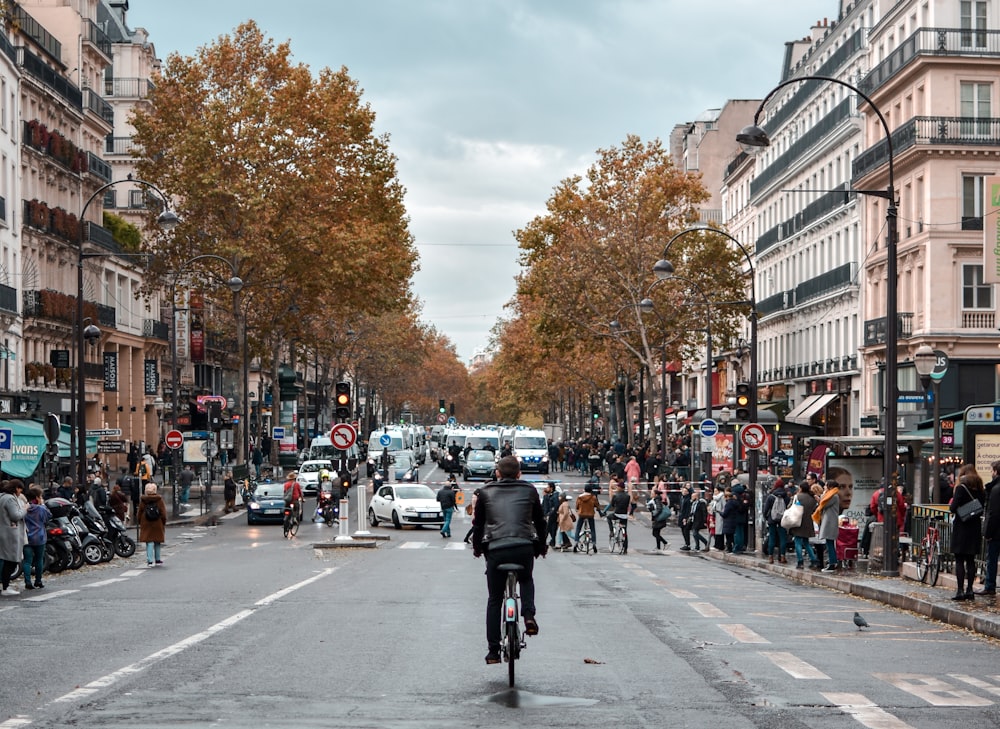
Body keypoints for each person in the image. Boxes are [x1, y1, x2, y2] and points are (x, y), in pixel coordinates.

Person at [472, 455, 547, 665]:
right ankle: (529, 615)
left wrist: (477, 549)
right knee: (526, 579)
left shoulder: (485, 492)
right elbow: (540, 522)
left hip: (496, 549)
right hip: (524, 546)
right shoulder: (529, 490)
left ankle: (493, 651)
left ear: (497, 473)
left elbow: (479, 526)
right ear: (519, 473)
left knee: (495, 599)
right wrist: (541, 546)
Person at [950, 468, 986, 601]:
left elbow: (953, 508)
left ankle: (960, 590)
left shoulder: (961, 488)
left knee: (959, 559)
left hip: (961, 527)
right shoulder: (980, 490)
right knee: (971, 560)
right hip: (975, 527)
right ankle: (970, 590)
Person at [0, 481, 27, 595]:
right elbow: (16, 515)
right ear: (16, 488)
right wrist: (25, 508)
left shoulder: (1, 497)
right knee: (11, 560)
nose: (20, 492)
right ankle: (5, 587)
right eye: (20, 489)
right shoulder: (10, 499)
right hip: (10, 533)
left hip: (3, 532)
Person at [22, 486, 50, 591]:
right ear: (37, 497)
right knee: (39, 559)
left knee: (27, 561)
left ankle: (27, 581)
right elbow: (48, 516)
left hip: (27, 536)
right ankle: (38, 580)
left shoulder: (25, 508)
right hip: (39, 537)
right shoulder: (41, 508)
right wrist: (42, 504)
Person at [977, 467, 1000, 596]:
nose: (991, 473)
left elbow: (994, 514)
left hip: (996, 532)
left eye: (992, 470)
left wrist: (988, 532)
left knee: (991, 559)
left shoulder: (996, 490)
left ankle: (989, 585)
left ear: (996, 472)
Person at [790, 481, 819, 569]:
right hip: (808, 522)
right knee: (806, 542)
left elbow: (789, 507)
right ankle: (813, 560)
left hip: (798, 521)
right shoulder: (812, 498)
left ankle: (800, 561)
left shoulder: (797, 497)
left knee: (798, 542)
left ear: (801, 488)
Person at [814, 477, 841, 572]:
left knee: (829, 543)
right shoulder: (832, 495)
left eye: (825, 485)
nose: (824, 487)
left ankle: (832, 563)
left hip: (830, 522)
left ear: (830, 487)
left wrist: (819, 499)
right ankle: (832, 562)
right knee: (829, 543)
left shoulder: (833, 496)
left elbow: (823, 504)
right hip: (828, 521)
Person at [139, 483, 167, 567]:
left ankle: (150, 560)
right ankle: (157, 559)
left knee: (149, 542)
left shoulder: (143, 500)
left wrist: (140, 521)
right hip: (157, 522)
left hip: (146, 522)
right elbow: (163, 513)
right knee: (157, 541)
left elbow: (139, 512)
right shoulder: (159, 500)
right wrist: (163, 522)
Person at [763, 479, 788, 564]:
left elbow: (766, 509)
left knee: (772, 538)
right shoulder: (786, 496)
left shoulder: (771, 496)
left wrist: (766, 517)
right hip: (783, 520)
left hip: (772, 519)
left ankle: (770, 557)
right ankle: (782, 556)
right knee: (783, 538)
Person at [605, 480, 631, 554]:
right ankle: (625, 549)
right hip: (624, 515)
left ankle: (611, 532)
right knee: (625, 532)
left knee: (609, 517)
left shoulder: (615, 496)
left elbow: (612, 505)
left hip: (617, 514)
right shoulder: (628, 496)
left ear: (619, 487)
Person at [573, 484, 600, 553]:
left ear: (584, 489)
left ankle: (576, 542)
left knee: (578, 529)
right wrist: (597, 509)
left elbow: (577, 506)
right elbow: (597, 505)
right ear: (591, 490)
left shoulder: (580, 497)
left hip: (582, 514)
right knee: (592, 529)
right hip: (590, 515)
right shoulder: (593, 497)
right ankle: (594, 544)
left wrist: (577, 509)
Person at [690, 487, 709, 552]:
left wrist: (704, 520)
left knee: (695, 533)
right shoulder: (693, 503)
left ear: (696, 497)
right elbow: (692, 511)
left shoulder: (701, 503)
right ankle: (697, 546)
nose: (691, 498)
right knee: (695, 533)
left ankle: (705, 542)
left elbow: (704, 512)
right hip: (694, 519)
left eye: (693, 497)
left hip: (699, 520)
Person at [540, 483, 559, 547]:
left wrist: (549, 514)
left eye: (548, 487)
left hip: (552, 515)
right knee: (551, 529)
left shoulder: (554, 495)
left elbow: (555, 506)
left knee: (547, 529)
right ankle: (552, 541)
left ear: (551, 488)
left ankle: (543, 542)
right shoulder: (549, 495)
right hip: (549, 514)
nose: (546, 488)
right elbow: (544, 505)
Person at [710, 484, 726, 550]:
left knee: (720, 531)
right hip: (716, 515)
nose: (715, 493)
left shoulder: (722, 497)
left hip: (720, 516)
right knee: (717, 531)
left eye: (716, 491)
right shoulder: (715, 499)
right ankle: (717, 545)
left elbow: (724, 506)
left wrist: (721, 513)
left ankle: (719, 546)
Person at [677, 485, 692, 551]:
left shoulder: (688, 499)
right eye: (683, 491)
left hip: (685, 517)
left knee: (686, 531)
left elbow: (688, 510)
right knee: (683, 530)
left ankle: (687, 544)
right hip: (681, 516)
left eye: (686, 491)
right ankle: (686, 543)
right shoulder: (681, 498)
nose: (684, 492)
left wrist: (685, 518)